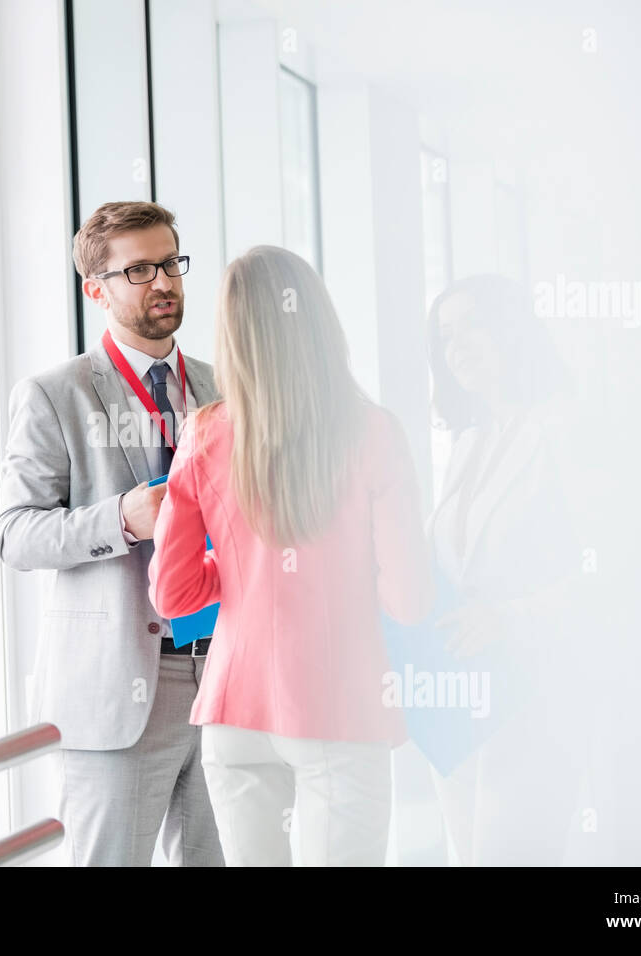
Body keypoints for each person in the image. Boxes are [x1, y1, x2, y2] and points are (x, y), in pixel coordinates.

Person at [147, 244, 433, 866]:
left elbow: (172, 596)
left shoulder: (203, 433)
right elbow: (410, 602)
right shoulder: (375, 432)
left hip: (233, 709)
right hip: (340, 703)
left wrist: (241, 570)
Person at [0, 200, 224, 866]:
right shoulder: (54, 393)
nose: (164, 283)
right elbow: (13, 534)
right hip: (120, 686)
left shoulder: (221, 386)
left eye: (171, 263)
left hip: (224, 669)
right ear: (96, 289)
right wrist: (120, 520)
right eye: (139, 270)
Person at [423, 273, 591, 865]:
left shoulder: (565, 426)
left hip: (539, 690)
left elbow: (614, 566)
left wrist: (512, 616)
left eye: (475, 326)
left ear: (514, 331)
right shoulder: (468, 443)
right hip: (463, 700)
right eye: (446, 335)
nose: (459, 345)